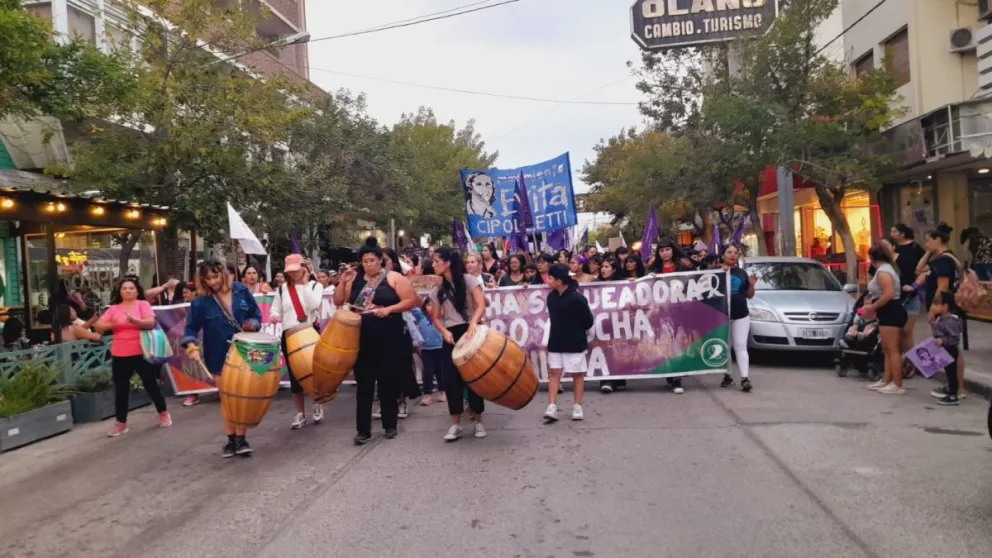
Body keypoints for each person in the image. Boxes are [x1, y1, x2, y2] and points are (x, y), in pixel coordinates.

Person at [333, 240, 419, 445]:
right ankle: (363, 430)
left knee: (388, 381)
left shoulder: (393, 277)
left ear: (380, 260)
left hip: (389, 334)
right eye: (365, 261)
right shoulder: (355, 279)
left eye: (372, 260)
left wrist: (389, 309)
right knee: (364, 384)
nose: (368, 264)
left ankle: (390, 424)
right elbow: (339, 301)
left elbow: (411, 300)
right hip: (362, 337)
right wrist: (342, 282)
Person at [181, 260, 262, 457]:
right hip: (217, 353)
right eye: (207, 279)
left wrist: (253, 323)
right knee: (227, 398)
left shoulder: (241, 290)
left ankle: (241, 438)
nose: (212, 282)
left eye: (215, 276)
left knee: (241, 396)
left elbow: (256, 314)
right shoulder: (200, 301)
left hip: (244, 350)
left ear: (223, 274)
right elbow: (190, 328)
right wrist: (191, 346)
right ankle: (232, 439)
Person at [93, 277, 171, 437]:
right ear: (120, 292)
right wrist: (114, 324)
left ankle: (163, 413)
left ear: (137, 291)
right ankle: (121, 423)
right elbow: (98, 326)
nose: (127, 291)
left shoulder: (143, 305)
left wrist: (136, 321)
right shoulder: (114, 309)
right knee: (121, 389)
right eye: (124, 288)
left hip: (141, 352)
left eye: (131, 288)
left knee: (150, 384)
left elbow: (150, 322)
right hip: (120, 354)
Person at [429, 247, 488, 442]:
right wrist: (444, 332)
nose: (433, 265)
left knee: (473, 379)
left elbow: (481, 304)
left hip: (470, 332)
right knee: (451, 381)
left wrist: (473, 323)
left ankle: (478, 420)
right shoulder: (438, 290)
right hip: (451, 336)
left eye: (437, 261)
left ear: (448, 263)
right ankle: (455, 423)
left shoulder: (469, 280)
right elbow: (436, 317)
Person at [270, 254, 325, 429]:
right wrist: (274, 316)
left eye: (296, 269)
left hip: (309, 333)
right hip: (290, 335)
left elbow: (313, 305)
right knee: (295, 376)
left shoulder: (315, 286)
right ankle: (300, 413)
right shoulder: (282, 289)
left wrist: (306, 284)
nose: (293, 273)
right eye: (290, 271)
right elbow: (275, 308)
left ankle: (317, 403)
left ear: (303, 268)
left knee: (313, 371)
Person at [920, 223, 966, 400]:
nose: (926, 244)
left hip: (945, 309)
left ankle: (957, 388)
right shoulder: (941, 258)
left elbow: (943, 287)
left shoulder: (944, 261)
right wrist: (928, 252)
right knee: (946, 348)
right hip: (945, 308)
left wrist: (933, 308)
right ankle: (953, 385)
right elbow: (919, 269)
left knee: (951, 348)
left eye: (929, 241)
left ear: (938, 240)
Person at [542, 264, 594, 422]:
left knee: (577, 374)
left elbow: (588, 321)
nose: (547, 280)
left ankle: (577, 406)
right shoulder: (551, 297)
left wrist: (575, 329)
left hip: (575, 342)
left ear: (559, 281)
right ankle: (552, 406)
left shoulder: (577, 299)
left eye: (551, 278)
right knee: (554, 373)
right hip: (555, 342)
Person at [864, 244, 909, 395]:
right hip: (887, 311)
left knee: (893, 349)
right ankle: (886, 379)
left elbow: (888, 293)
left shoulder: (884, 272)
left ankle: (897, 383)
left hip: (891, 311)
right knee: (887, 348)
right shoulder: (886, 269)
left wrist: (873, 306)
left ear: (872, 258)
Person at [719, 244, 755, 393]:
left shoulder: (742, 273)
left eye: (735, 253)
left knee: (740, 346)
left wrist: (751, 285)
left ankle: (745, 378)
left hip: (741, 315)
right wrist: (720, 273)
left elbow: (749, 295)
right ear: (723, 255)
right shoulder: (715, 272)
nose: (732, 255)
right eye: (729, 252)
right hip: (721, 316)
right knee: (726, 346)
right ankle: (727, 376)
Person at [929, 291, 963, 406]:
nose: (933, 307)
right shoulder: (941, 318)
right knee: (948, 372)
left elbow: (954, 338)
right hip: (943, 349)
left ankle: (953, 395)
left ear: (945, 306)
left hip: (950, 350)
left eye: (936, 304)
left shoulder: (951, 321)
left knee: (952, 373)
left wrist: (943, 340)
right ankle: (949, 389)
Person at [413, 299, 446, 406]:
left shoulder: (441, 317)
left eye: (433, 305)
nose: (430, 307)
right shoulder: (421, 316)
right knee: (428, 372)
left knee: (440, 372)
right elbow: (413, 306)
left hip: (440, 348)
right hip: (426, 350)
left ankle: (443, 391)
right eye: (428, 305)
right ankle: (427, 395)